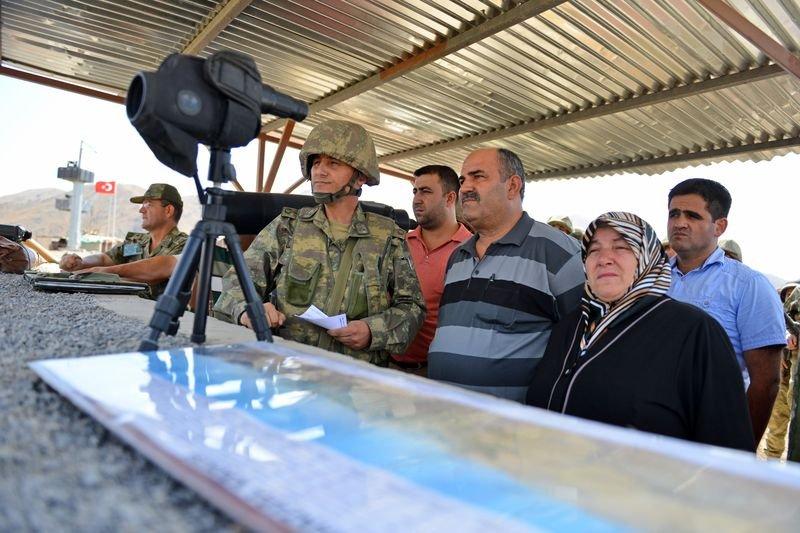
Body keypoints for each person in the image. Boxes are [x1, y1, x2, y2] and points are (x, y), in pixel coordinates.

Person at [527, 212, 754, 451]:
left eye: (621, 247)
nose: (604, 258)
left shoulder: (694, 332)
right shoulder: (571, 326)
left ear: (647, 257)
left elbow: (728, 447)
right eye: (594, 250)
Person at [213, 120, 425, 366]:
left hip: (355, 381)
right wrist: (248, 310)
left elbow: (413, 307)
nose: (319, 171)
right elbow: (237, 283)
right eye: (316, 163)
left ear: (360, 177)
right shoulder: (288, 227)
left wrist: (372, 331)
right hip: (288, 371)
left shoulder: (388, 236)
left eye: (333, 163)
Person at [427, 148, 584, 402]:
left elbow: (583, 340)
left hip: (509, 428)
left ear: (512, 186)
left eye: (478, 177)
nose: (465, 187)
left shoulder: (556, 252)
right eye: (463, 179)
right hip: (444, 414)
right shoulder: (458, 257)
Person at [666, 178, 785, 443]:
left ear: (719, 226)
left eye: (693, 216)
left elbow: (766, 382)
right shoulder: (651, 280)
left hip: (710, 433)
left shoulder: (748, 286)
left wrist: (741, 447)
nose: (679, 222)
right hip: (646, 427)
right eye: (674, 213)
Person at [390, 165, 472, 376]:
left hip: (434, 374)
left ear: (450, 198)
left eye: (425, 191)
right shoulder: (398, 243)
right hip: (385, 365)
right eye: (415, 191)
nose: (417, 199)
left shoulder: (472, 251)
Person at [59, 183, 188, 299]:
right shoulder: (137, 243)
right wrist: (80, 263)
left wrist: (103, 272)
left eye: (148, 204)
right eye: (143, 204)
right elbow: (106, 259)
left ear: (168, 210)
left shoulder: (186, 245)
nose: (141, 210)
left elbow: (155, 272)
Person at [765, 283, 800, 458]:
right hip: (786, 372)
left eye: (790, 293)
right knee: (777, 421)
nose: (788, 295)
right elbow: (781, 325)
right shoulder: (797, 296)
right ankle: (771, 466)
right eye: (785, 294)